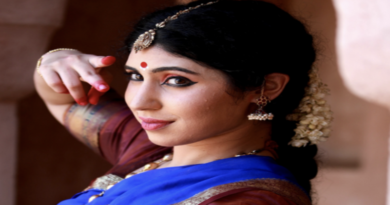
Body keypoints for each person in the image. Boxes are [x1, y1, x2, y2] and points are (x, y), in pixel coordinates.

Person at [34, 0, 332, 204]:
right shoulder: (150, 151)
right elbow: (64, 99)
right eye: (135, 76)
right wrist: (57, 59)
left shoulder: (252, 198)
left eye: (176, 80)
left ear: (265, 87)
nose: (140, 102)